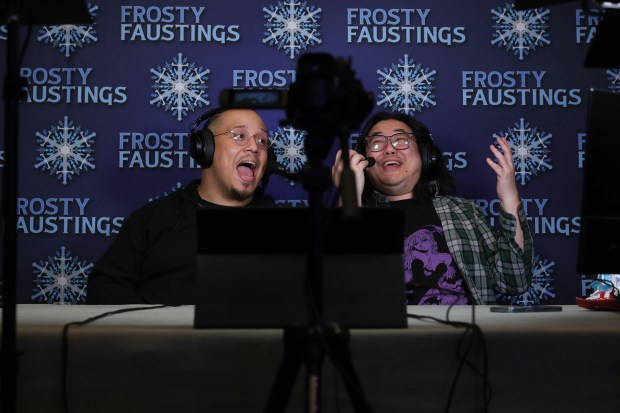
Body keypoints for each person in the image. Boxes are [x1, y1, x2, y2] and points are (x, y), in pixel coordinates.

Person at [331, 111, 534, 305]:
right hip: (385, 339)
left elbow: (515, 282)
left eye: (401, 140)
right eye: (376, 143)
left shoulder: (463, 213)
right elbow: (340, 292)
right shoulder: (351, 214)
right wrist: (348, 197)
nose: (390, 149)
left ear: (425, 154)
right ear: (364, 161)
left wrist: (509, 196)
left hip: (462, 337)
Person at [87, 108, 275, 305]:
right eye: (239, 136)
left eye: (262, 140)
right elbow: (105, 289)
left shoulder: (283, 227)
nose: (254, 147)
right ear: (205, 147)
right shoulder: (153, 219)